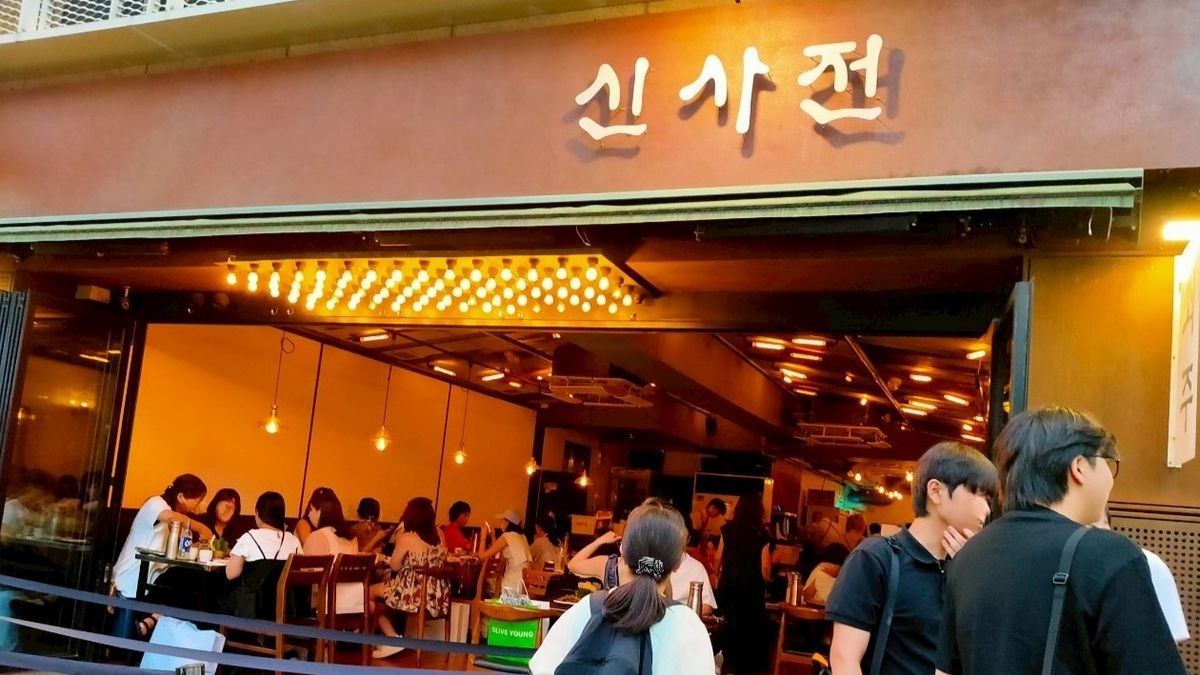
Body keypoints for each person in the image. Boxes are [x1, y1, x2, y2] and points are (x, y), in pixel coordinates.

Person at [935, 408, 1188, 675]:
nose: (1110, 476)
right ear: (1079, 468)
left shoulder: (967, 558)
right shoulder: (1111, 556)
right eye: (1108, 462)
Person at [827, 442, 997, 675]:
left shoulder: (969, 569)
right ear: (935, 491)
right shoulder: (875, 558)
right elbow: (844, 659)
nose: (987, 509)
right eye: (980, 494)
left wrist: (971, 574)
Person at [528, 501, 716, 675]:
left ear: (622, 549)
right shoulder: (688, 625)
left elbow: (541, 669)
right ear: (678, 562)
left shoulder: (589, 607)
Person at [110, 474, 212, 638]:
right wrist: (200, 528)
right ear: (181, 497)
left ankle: (154, 621)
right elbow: (169, 516)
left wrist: (199, 545)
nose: (197, 506)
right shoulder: (156, 504)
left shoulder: (177, 518)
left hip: (152, 582)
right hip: (132, 579)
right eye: (197, 500)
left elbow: (177, 551)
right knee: (122, 640)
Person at [1094, 508, 1189, 642]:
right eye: (1091, 525)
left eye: (1105, 523)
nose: (1100, 531)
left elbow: (1169, 643)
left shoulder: (1150, 564)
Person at [370, 497, 448, 660]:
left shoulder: (408, 538)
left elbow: (394, 566)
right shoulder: (441, 535)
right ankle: (389, 638)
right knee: (385, 597)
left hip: (411, 593)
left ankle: (391, 638)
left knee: (368, 592)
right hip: (437, 597)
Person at [714, 494, 772, 673]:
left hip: (728, 589)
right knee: (749, 638)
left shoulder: (727, 529)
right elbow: (764, 568)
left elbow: (717, 558)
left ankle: (725, 666)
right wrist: (768, 577)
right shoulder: (762, 534)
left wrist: (717, 573)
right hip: (752, 593)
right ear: (759, 511)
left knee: (727, 631)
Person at [303, 491, 362, 614]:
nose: (308, 514)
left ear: (320, 512)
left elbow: (307, 575)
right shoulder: (352, 538)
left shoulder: (318, 536)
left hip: (326, 604)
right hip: (355, 603)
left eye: (311, 509)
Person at [225, 491, 302, 582]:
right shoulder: (294, 541)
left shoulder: (250, 537)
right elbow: (301, 571)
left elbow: (231, 574)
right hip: (285, 591)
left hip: (253, 591)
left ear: (257, 513)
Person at [481, 509, 533, 594]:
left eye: (502, 520)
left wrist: (483, 536)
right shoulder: (523, 537)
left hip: (511, 586)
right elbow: (499, 553)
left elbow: (482, 556)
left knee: (483, 583)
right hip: (524, 586)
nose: (501, 523)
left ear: (507, 523)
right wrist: (493, 537)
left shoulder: (507, 536)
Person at [669, 526, 717, 616]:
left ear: (688, 539)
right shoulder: (649, 562)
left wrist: (680, 613)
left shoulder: (696, 567)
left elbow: (707, 606)